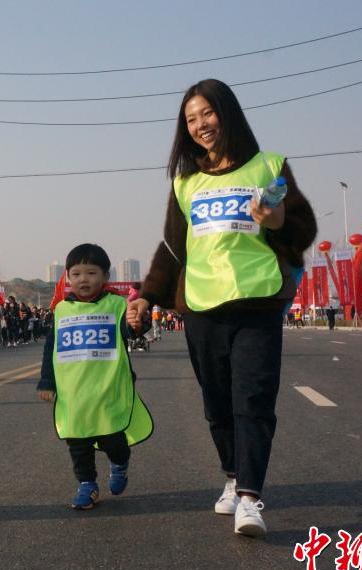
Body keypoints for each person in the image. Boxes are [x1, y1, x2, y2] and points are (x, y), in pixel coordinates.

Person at [128, 79, 316, 537]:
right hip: (202, 307)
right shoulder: (186, 181)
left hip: (257, 301)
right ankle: (232, 477)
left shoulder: (268, 167)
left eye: (206, 114)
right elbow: (174, 250)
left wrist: (276, 221)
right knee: (217, 403)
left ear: (226, 112)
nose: (199, 126)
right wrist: (146, 297)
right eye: (191, 119)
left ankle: (250, 497)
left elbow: (303, 227)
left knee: (252, 396)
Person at [37, 244, 153, 510]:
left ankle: (120, 464)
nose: (83, 279)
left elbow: (132, 330)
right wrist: (47, 381)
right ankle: (87, 485)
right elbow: (50, 350)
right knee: (78, 441)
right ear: (67, 278)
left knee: (113, 439)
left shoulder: (116, 305)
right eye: (76, 274)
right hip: (73, 393)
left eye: (91, 273)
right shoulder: (61, 311)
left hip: (108, 389)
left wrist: (138, 323)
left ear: (105, 277)